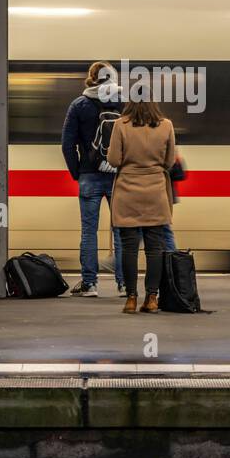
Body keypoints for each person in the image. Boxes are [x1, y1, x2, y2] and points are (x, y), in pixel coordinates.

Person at [61, 61, 124, 297]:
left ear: (92, 77)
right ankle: (124, 284)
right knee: (121, 231)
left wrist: (78, 171)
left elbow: (67, 144)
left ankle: (90, 284)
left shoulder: (79, 104)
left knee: (89, 231)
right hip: (118, 175)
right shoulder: (123, 102)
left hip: (89, 175)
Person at [108, 99, 176, 314]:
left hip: (128, 191)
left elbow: (113, 160)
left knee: (129, 247)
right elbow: (169, 161)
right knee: (154, 248)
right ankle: (152, 298)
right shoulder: (166, 125)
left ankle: (130, 299)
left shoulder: (121, 125)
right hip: (155, 191)